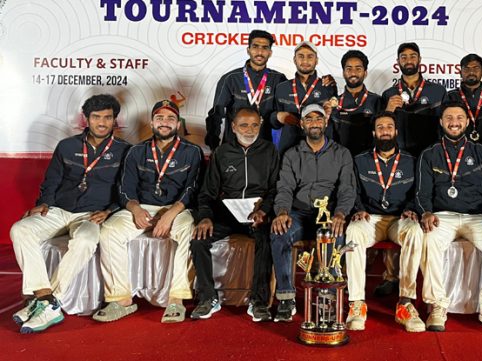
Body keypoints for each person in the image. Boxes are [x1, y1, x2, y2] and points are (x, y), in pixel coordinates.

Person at [10, 94, 130, 333]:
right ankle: (46, 298)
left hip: (91, 215)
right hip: (59, 210)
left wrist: (110, 210)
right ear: (86, 119)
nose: (102, 122)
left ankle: (47, 302)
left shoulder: (126, 151)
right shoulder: (67, 146)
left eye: (108, 117)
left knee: (86, 240)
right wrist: (43, 203)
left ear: (115, 120)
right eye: (96, 117)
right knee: (20, 229)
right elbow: (52, 180)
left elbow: (127, 189)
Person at [93, 100, 203, 324]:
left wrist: (170, 214)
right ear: (152, 122)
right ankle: (121, 300)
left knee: (187, 230)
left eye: (170, 119)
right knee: (109, 231)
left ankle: (176, 299)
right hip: (142, 207)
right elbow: (124, 188)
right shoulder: (136, 151)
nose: (165, 123)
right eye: (160, 118)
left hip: (177, 208)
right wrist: (135, 209)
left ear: (178, 124)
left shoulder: (192, 151)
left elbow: (193, 189)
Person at [416, 101, 482, 333]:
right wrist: (426, 212)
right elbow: (422, 192)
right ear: (441, 122)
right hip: (442, 217)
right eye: (449, 118)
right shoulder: (429, 154)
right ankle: (438, 305)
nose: (454, 122)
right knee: (428, 239)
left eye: (459, 117)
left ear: (468, 121)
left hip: (478, 218)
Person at [190, 107, 279, 322]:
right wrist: (205, 217)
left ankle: (258, 301)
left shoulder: (270, 151)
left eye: (255, 125)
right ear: (233, 127)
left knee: (267, 240)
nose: (250, 130)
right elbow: (207, 193)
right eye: (244, 125)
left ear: (261, 125)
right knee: (198, 240)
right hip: (227, 214)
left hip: (257, 215)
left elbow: (276, 189)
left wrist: (264, 210)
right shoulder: (222, 153)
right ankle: (208, 298)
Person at [270, 103, 356, 322]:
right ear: (301, 124)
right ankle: (286, 298)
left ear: (326, 122)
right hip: (298, 213)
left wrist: (340, 213)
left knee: (334, 235)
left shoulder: (342, 153)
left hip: (327, 215)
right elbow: (285, 188)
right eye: (309, 119)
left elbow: (347, 188)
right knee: (279, 233)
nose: (314, 123)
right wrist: (281, 212)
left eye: (318, 119)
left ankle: (326, 297)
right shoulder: (291, 154)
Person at [344, 113, 425, 332]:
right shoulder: (359, 160)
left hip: (400, 219)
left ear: (396, 132)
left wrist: (412, 209)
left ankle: (405, 303)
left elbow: (420, 192)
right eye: (380, 127)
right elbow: (352, 190)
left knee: (416, 232)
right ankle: (357, 303)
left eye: (390, 127)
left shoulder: (412, 161)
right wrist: (358, 209)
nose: (385, 131)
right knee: (353, 232)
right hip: (370, 218)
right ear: (374, 133)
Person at [205, 29, 288, 149]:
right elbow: (215, 114)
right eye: (255, 46)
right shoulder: (230, 78)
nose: (260, 52)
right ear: (248, 50)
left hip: (265, 147)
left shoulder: (279, 79)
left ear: (270, 52)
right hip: (234, 147)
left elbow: (286, 111)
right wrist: (214, 147)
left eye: (265, 48)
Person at [271, 41, 337, 154]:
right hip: (289, 148)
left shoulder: (328, 86)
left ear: (317, 60)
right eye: (300, 56)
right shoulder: (282, 87)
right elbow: (272, 120)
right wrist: (277, 116)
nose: (305, 61)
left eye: (310, 56)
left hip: (321, 149)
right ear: (294, 60)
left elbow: (335, 118)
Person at [382, 42, 447, 156]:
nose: (408, 61)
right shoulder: (388, 94)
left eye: (413, 56)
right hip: (399, 157)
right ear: (398, 61)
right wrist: (388, 111)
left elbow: (446, 126)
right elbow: (381, 128)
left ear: (419, 59)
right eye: (404, 57)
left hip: (432, 154)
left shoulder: (438, 91)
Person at [330, 50, 382, 156]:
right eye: (349, 69)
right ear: (343, 72)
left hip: (370, 162)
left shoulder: (377, 101)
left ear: (365, 72)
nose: (353, 73)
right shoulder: (333, 103)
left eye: (358, 69)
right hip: (340, 160)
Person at [446, 53, 482, 149]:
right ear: (460, 72)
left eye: (476, 68)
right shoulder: (449, 97)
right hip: (456, 150)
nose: (471, 72)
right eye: (466, 69)